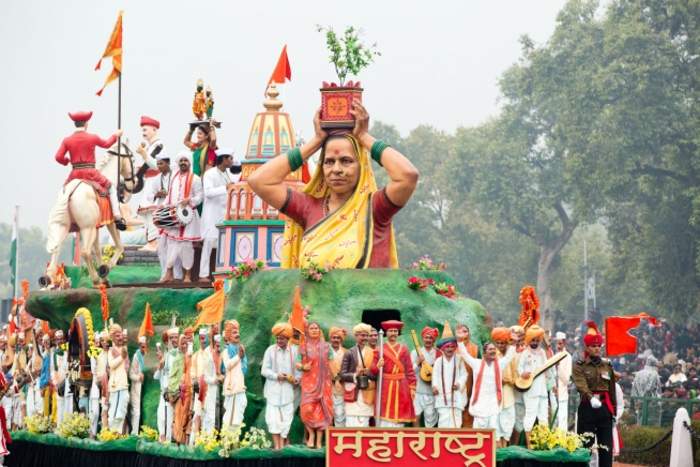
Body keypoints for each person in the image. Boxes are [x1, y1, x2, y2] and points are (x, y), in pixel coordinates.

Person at [248, 101, 419, 269]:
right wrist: (315, 142)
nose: (336, 169)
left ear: (362, 165)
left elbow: (407, 176)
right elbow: (259, 181)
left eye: (346, 161)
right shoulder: (308, 209)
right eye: (329, 162)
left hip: (368, 297)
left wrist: (363, 137)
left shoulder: (375, 208)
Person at [54, 111, 126, 230]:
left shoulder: (67, 140)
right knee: (111, 188)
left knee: (63, 192)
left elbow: (58, 157)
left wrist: (66, 161)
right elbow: (107, 144)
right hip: (91, 173)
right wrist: (116, 135)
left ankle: (61, 219)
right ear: (86, 123)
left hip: (74, 174)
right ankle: (117, 217)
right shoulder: (92, 137)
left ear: (75, 124)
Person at [572, 321, 616, 467]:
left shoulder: (607, 365)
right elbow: (580, 384)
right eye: (593, 346)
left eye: (598, 346)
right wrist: (591, 398)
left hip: (604, 409)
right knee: (585, 448)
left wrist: (613, 411)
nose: (597, 349)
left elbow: (611, 389)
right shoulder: (580, 365)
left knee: (606, 448)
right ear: (587, 347)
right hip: (587, 408)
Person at [460, 332, 516, 432]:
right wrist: (460, 341)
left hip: (493, 403)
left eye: (494, 349)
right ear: (484, 353)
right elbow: (464, 355)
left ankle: (492, 448)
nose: (493, 351)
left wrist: (513, 344)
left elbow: (509, 357)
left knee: (493, 430)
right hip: (480, 404)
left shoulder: (499, 364)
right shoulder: (476, 363)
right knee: (479, 431)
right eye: (490, 349)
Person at [160, 152, 203, 282]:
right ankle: (169, 273)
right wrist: (163, 206)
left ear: (189, 163)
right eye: (181, 160)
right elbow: (169, 195)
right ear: (178, 163)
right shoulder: (174, 177)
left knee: (186, 246)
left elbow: (200, 197)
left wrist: (189, 200)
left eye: (186, 160)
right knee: (171, 244)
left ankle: (187, 276)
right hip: (173, 216)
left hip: (188, 217)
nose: (183, 162)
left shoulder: (195, 178)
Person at [199, 148, 236, 282]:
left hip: (223, 214)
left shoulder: (227, 174)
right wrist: (225, 188)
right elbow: (208, 193)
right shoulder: (210, 174)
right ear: (224, 159)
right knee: (209, 243)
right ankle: (203, 275)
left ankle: (222, 274)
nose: (232, 161)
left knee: (224, 244)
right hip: (211, 215)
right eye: (230, 158)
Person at [371, 320, 417, 427]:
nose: (393, 333)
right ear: (386, 333)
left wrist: (412, 387)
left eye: (395, 331)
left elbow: (409, 370)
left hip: (402, 385)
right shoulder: (380, 349)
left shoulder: (404, 349)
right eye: (391, 331)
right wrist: (378, 365)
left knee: (399, 413)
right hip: (385, 385)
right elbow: (372, 370)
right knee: (385, 411)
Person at [261, 323, 299, 450]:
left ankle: (283, 444)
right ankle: (277, 446)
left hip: (288, 391)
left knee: (287, 419)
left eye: (282, 338)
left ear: (288, 338)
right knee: (273, 419)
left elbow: (299, 371)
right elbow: (264, 370)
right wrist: (277, 376)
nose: (279, 341)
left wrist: (296, 379)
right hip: (273, 391)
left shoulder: (295, 351)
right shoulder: (270, 350)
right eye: (277, 338)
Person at [297, 322, 333, 448]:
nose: (314, 330)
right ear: (307, 331)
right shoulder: (303, 346)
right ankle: (311, 434)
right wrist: (303, 366)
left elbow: (332, 362)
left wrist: (335, 378)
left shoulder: (327, 346)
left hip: (324, 383)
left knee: (322, 410)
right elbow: (297, 363)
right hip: (308, 383)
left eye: (316, 328)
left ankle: (318, 440)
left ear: (319, 330)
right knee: (306, 409)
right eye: (311, 328)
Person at [517, 325, 554, 448]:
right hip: (530, 389)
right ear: (528, 340)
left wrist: (552, 383)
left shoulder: (543, 352)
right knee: (530, 415)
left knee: (543, 417)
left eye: (537, 340)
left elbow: (548, 369)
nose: (535, 342)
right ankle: (529, 444)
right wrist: (523, 373)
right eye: (533, 340)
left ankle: (543, 443)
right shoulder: (524, 353)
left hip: (542, 390)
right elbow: (519, 368)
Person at [340, 323, 376, 427]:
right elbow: (342, 374)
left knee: (364, 421)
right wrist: (356, 375)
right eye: (362, 335)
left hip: (367, 391)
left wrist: (367, 372)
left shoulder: (373, 353)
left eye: (366, 335)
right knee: (351, 420)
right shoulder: (349, 353)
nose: (364, 338)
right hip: (353, 391)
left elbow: (375, 375)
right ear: (356, 336)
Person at [432, 333, 466, 428]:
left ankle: (455, 440)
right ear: (443, 348)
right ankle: (443, 441)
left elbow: (464, 374)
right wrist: (434, 386)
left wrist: (459, 384)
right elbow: (435, 375)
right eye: (447, 347)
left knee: (456, 419)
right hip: (442, 395)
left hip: (456, 395)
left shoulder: (459, 359)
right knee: (443, 418)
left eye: (452, 347)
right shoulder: (438, 361)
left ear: (455, 348)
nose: (449, 349)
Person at [492, 327, 516, 447]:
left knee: (508, 417)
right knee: (496, 418)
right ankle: (497, 447)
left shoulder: (511, 355)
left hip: (509, 390)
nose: (500, 345)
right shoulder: (491, 355)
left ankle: (505, 444)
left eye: (503, 343)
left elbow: (515, 371)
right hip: (495, 392)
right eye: (498, 343)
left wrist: (510, 380)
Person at [411, 326, 440, 428]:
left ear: (434, 340)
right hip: (418, 391)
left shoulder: (438, 353)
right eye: (426, 337)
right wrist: (417, 362)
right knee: (416, 417)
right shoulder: (415, 353)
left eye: (430, 338)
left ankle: (430, 442)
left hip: (432, 392)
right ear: (422, 338)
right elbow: (409, 372)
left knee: (431, 420)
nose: (428, 340)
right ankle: (416, 440)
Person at [154, 327, 179, 442]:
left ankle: (167, 441)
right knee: (161, 417)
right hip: (163, 393)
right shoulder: (165, 355)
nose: (173, 340)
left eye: (175, 337)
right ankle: (162, 438)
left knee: (168, 419)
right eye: (171, 338)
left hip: (172, 394)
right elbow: (156, 376)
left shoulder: (177, 355)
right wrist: (160, 365)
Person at [221, 321, 247, 430]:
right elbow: (227, 365)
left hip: (240, 388)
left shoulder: (241, 349)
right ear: (228, 336)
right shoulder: (225, 351)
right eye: (234, 332)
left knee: (239, 416)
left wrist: (241, 356)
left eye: (238, 332)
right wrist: (238, 357)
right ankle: (228, 442)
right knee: (230, 418)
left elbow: (244, 368)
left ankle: (234, 442)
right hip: (231, 388)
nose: (237, 334)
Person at [107, 324, 129, 433]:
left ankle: (119, 433)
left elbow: (127, 366)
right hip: (116, 385)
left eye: (120, 335)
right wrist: (122, 357)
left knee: (122, 411)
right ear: (112, 337)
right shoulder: (111, 350)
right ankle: (112, 433)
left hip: (124, 385)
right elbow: (111, 365)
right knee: (114, 413)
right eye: (117, 336)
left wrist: (124, 357)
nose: (119, 338)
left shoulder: (124, 349)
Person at [456, 323, 478, 428]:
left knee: (469, 407)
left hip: (471, 382)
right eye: (459, 331)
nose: (463, 334)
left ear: (469, 333)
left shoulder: (475, 348)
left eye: (465, 331)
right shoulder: (451, 347)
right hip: (456, 384)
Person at [173, 332, 193, 444]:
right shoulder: (177, 358)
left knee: (187, 415)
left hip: (189, 389)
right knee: (179, 414)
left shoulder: (191, 355)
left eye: (186, 343)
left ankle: (185, 440)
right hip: (180, 390)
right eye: (182, 343)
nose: (184, 346)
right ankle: (178, 439)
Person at [328, 327, 347, 427]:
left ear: (341, 339)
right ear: (330, 338)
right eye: (334, 337)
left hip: (340, 386)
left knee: (340, 413)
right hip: (326, 386)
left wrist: (339, 379)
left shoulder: (346, 352)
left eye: (338, 338)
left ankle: (340, 436)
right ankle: (328, 438)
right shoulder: (325, 351)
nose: (336, 340)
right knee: (327, 412)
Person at [553, 332, 572, 432]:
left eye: (560, 343)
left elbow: (567, 380)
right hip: (552, 392)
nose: (558, 346)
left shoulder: (567, 357)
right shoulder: (554, 355)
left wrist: (558, 367)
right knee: (553, 419)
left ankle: (562, 442)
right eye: (557, 343)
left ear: (565, 343)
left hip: (562, 393)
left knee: (562, 419)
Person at [129, 335, 147, 435]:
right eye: (141, 345)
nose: (142, 347)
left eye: (144, 345)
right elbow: (131, 374)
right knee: (136, 411)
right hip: (137, 387)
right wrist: (138, 377)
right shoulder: (137, 356)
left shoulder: (149, 355)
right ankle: (134, 433)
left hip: (147, 389)